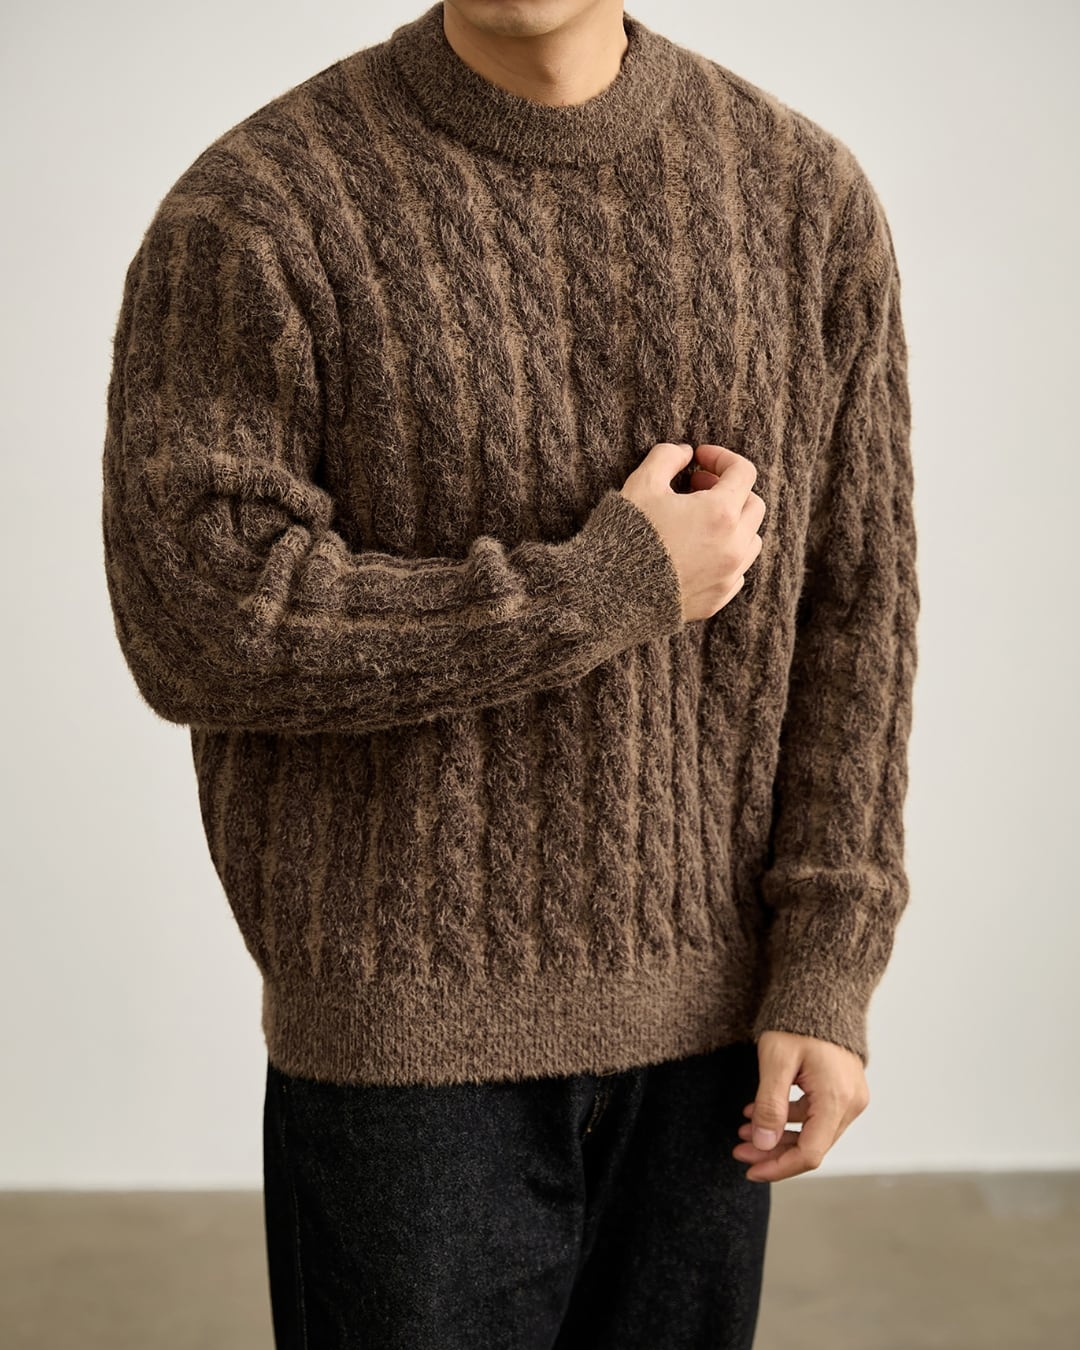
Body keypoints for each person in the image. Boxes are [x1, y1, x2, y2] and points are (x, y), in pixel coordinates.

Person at [100, 1, 919, 1346]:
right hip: (399, 1051)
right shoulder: (257, 211)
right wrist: (600, 589)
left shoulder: (803, 200)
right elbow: (195, 617)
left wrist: (829, 965)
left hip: (711, 1041)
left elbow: (856, 609)